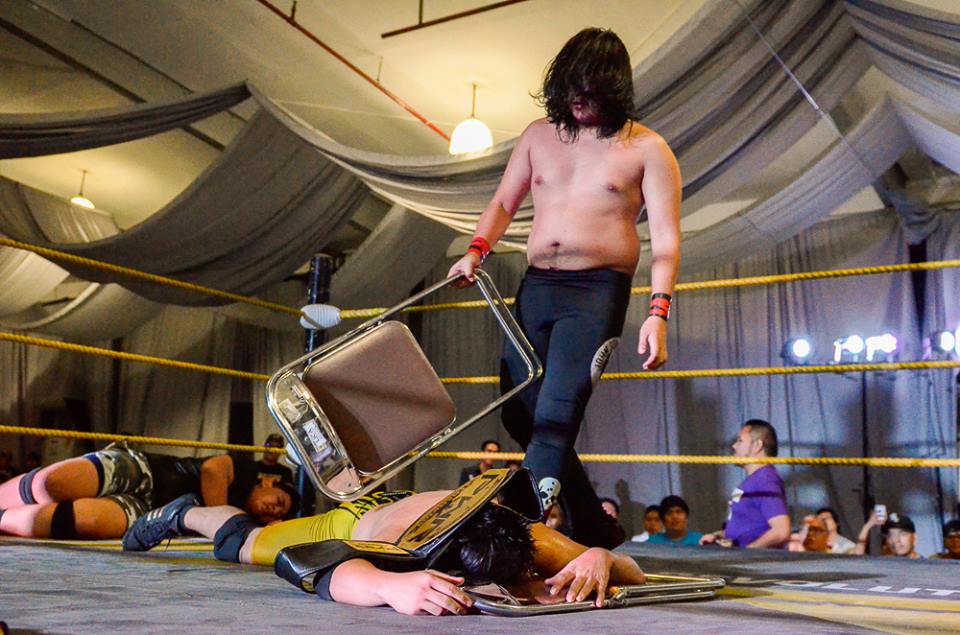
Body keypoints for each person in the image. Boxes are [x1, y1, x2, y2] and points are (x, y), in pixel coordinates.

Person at [446, 27, 681, 549]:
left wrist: (657, 312)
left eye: (590, 92)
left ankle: (515, 531)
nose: (578, 101)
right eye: (571, 89)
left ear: (613, 91)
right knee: (519, 411)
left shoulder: (647, 148)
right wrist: (476, 250)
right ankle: (593, 523)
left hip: (596, 292)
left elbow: (666, 240)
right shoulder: (538, 136)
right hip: (537, 287)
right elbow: (504, 201)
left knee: (556, 412)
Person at [124, 485, 645, 615]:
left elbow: (633, 571)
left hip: (430, 512)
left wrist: (598, 557)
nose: (528, 590)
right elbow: (303, 565)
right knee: (247, 543)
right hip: (361, 520)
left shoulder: (533, 540)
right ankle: (182, 513)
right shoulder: (402, 549)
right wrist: (387, 585)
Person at [0, 442, 294, 540]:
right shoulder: (244, 470)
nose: (274, 508)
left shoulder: (243, 522)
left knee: (85, 521)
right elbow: (213, 470)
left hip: (151, 514)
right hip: (145, 470)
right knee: (50, 485)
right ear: (268, 483)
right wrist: (218, 517)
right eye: (279, 500)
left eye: (279, 512)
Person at [700, 420, 790, 549]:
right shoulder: (755, 480)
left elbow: (781, 532)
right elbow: (748, 528)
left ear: (757, 446)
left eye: (740, 441)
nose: (734, 446)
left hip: (757, 560)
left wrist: (748, 553)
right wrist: (718, 535)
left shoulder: (765, 480)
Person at [855, 511, 921, 558]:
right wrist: (868, 525)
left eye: (902, 534)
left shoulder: (924, 566)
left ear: (914, 539)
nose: (896, 540)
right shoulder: (884, 565)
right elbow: (857, 564)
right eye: (891, 535)